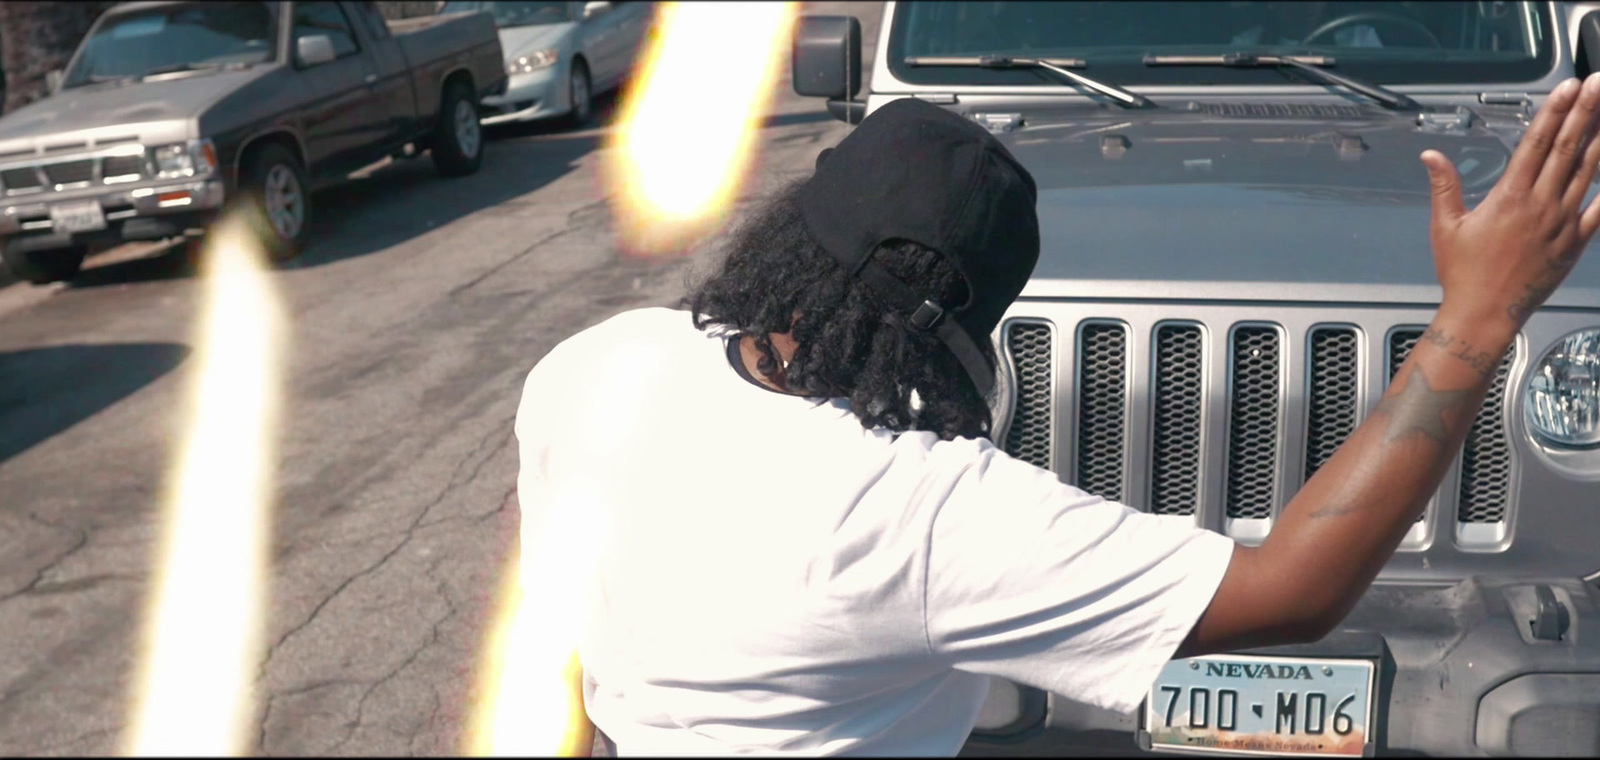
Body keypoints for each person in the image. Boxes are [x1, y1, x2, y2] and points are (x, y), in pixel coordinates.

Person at [511, 77, 1600, 755]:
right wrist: (1479, 314)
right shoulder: (910, 515)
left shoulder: (601, 363)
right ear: (967, 328)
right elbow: (1293, 591)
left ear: (793, 227)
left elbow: (559, 627)